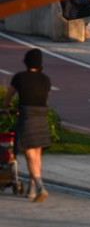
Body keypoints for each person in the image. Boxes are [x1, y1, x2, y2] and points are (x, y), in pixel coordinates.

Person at [1, 48, 52, 202]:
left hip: (27, 117)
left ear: (26, 62)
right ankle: (31, 189)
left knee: (30, 154)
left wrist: (6, 107)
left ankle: (40, 186)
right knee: (37, 153)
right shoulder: (45, 79)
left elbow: (8, 97)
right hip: (42, 116)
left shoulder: (19, 78)